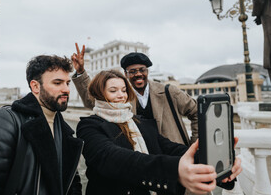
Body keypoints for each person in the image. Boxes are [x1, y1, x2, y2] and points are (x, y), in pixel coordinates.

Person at [76, 70, 241, 195]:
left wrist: (214, 162)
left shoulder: (141, 123)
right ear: (99, 93)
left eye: (124, 90)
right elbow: (114, 158)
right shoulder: (89, 126)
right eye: (113, 91)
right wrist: (176, 170)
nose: (121, 95)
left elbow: (171, 148)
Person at [0, 55, 83, 195]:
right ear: (35, 86)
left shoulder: (62, 127)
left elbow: (71, 181)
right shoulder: (2, 122)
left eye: (67, 83)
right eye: (58, 83)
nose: (66, 89)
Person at [71, 43, 198, 145]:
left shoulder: (169, 92)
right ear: (126, 74)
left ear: (147, 71)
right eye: (132, 71)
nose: (138, 74)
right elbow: (90, 101)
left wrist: (195, 144)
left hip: (175, 156)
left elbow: (198, 112)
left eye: (142, 70)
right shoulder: (122, 96)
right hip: (140, 157)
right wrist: (81, 71)